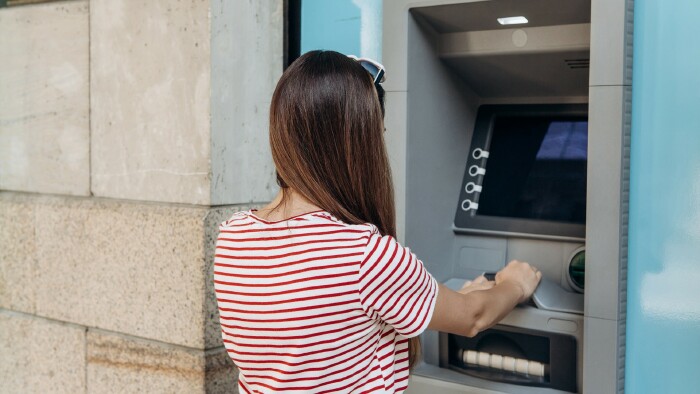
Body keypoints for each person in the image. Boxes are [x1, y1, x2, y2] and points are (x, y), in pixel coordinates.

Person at [213, 50, 542, 393]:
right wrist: (514, 284)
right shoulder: (365, 255)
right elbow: (473, 317)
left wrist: (444, 297)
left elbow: (330, 324)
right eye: (377, 135)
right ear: (357, 145)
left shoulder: (233, 236)